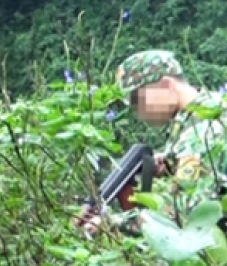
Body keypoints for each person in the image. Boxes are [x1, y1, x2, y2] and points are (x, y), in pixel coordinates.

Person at [79, 50, 227, 235]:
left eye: (138, 100)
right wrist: (170, 164)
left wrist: (111, 222)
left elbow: (182, 212)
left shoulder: (201, 130)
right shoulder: (208, 109)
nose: (137, 111)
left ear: (166, 85)